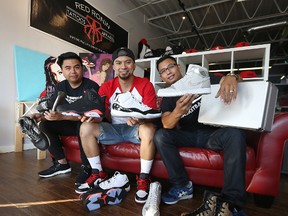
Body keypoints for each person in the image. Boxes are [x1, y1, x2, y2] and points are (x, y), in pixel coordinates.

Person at [153, 55, 247, 216]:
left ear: (179, 67)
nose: (168, 72)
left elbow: (235, 81)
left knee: (235, 134)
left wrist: (232, 77)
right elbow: (167, 123)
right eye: (163, 71)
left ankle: (232, 203)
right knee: (161, 135)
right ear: (161, 77)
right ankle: (182, 186)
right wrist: (177, 112)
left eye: (170, 67)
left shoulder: (201, 78)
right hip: (187, 135)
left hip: (212, 134)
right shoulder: (168, 95)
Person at [75, 47, 158, 204]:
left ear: (134, 65)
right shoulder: (106, 87)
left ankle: (144, 178)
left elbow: (151, 116)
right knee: (85, 127)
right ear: (113, 67)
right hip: (113, 129)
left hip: (135, 129)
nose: (123, 66)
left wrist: (140, 120)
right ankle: (98, 173)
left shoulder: (145, 84)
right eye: (118, 63)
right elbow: (100, 115)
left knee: (148, 128)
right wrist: (91, 117)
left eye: (128, 62)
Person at [31, 52, 100, 186]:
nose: (73, 71)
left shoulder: (91, 86)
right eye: (68, 68)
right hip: (68, 124)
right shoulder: (60, 87)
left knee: (83, 126)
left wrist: (62, 116)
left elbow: (91, 115)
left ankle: (87, 167)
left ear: (82, 68)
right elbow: (52, 109)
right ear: (62, 70)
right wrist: (41, 117)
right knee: (45, 126)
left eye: (76, 67)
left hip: (87, 125)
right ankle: (62, 164)